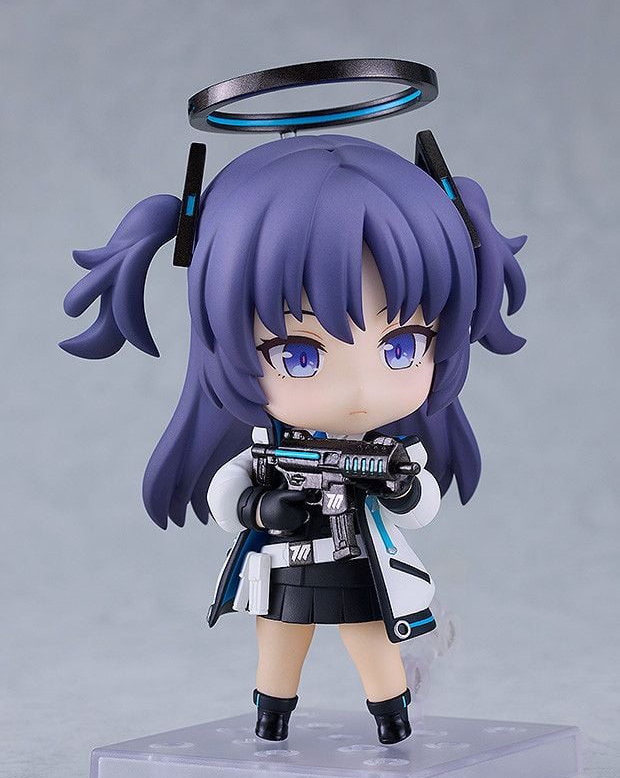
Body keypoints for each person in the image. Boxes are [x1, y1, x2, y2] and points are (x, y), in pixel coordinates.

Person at [61, 134, 526, 744]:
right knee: (280, 642)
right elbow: (231, 494)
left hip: (362, 565)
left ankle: (392, 719)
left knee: (372, 641)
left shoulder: (386, 452)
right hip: (285, 562)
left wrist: (403, 489)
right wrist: (262, 508)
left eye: (403, 347)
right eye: (299, 355)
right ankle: (271, 717)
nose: (361, 390)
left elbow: (420, 508)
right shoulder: (272, 449)